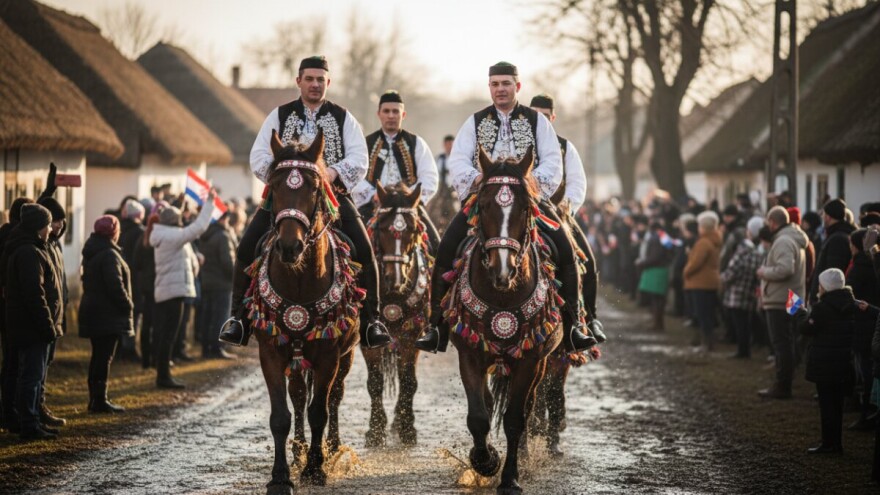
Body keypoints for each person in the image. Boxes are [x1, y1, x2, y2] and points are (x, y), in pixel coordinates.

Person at [415, 61, 596, 354]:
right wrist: (480, 181)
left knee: (566, 249)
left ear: (518, 86)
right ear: (489, 87)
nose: (501, 89)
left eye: (506, 84)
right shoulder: (474, 122)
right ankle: (436, 326)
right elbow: (458, 160)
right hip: (484, 202)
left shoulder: (538, 122)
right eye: (495, 84)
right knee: (446, 247)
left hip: (527, 203)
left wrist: (528, 188)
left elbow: (552, 162)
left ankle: (575, 324)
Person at [219, 55, 391, 350]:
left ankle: (372, 321)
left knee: (364, 249)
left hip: (331, 196)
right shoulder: (279, 114)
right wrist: (284, 175)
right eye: (309, 79)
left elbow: (360, 158)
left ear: (328, 82)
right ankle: (238, 319)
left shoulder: (343, 117)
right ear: (298, 81)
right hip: (285, 195)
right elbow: (259, 155)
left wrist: (330, 172)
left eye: (320, 80)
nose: (314, 84)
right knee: (247, 245)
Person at [529, 93, 604, 340]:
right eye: (536, 115)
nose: (541, 120)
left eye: (545, 116)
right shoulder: (517, 143)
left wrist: (565, 211)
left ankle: (587, 320)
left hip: (557, 214)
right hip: (519, 213)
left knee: (589, 263)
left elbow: (576, 185)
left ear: (553, 117)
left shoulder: (564, 147)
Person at [2, 204, 63, 439]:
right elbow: (34, 295)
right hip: (32, 326)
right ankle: (29, 424)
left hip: (30, 325)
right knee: (31, 377)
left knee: (32, 376)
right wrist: (47, 325)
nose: (51, 229)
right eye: (48, 224)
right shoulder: (28, 252)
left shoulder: (32, 247)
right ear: (39, 227)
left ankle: (32, 420)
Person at [353, 90, 441, 251]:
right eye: (386, 111)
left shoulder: (417, 143)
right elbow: (354, 174)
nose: (391, 116)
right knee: (354, 246)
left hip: (409, 208)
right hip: (372, 206)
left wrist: (410, 197)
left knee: (436, 246)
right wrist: (372, 194)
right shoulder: (365, 143)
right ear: (379, 114)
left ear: (403, 114)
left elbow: (430, 177)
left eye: (395, 111)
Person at [150, 195, 216, 389]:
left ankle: (163, 375)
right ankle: (163, 377)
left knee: (166, 335)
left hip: (168, 290)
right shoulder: (172, 236)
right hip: (173, 292)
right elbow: (197, 228)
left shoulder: (164, 234)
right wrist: (209, 205)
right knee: (168, 336)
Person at [795, 268, 856, 454]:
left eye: (820, 285)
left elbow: (806, 328)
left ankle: (828, 444)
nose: (818, 289)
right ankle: (836, 442)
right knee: (837, 405)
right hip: (843, 361)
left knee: (827, 405)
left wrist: (800, 312)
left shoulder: (822, 308)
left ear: (826, 287)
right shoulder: (850, 304)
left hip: (824, 363)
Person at [78, 216, 133, 413]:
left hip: (94, 310)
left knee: (98, 356)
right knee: (104, 357)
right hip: (107, 313)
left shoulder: (92, 250)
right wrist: (128, 304)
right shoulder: (109, 254)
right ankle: (99, 400)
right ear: (113, 233)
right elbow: (115, 286)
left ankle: (95, 399)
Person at [757, 206, 808, 399]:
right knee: (788, 341)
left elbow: (785, 269)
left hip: (781, 299)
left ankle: (783, 385)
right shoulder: (794, 238)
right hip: (792, 296)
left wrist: (763, 272)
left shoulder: (783, 241)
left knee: (781, 343)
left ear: (772, 222)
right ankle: (785, 381)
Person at [0, 198, 33, 432]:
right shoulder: (18, 240)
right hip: (12, 308)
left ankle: (8, 410)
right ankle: (10, 412)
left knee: (10, 362)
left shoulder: (6, 236)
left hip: (6, 306)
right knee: (13, 362)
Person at [847, 229, 880, 430]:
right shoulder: (873, 265)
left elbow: (850, 293)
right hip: (873, 322)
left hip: (863, 323)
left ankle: (866, 412)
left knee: (865, 370)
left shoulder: (859, 266)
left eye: (851, 244)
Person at [721, 216, 765, 358]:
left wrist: (723, 279)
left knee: (739, 324)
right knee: (746, 323)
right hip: (749, 293)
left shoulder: (741, 252)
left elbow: (731, 271)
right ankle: (746, 349)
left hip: (736, 292)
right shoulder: (758, 254)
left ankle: (742, 351)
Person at [198, 211, 237, 359]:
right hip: (222, 284)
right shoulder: (223, 236)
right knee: (220, 318)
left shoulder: (205, 235)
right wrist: (236, 278)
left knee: (207, 317)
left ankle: (206, 349)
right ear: (223, 219)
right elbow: (228, 263)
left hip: (207, 282)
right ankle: (217, 348)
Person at [683, 211, 722, 352]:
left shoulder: (703, 242)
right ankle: (708, 341)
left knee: (702, 314)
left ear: (704, 227)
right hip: (710, 281)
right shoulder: (715, 240)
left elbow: (696, 263)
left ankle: (706, 343)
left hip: (700, 282)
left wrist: (686, 271)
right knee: (708, 314)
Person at [810, 198, 856, 305]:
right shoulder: (839, 235)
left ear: (828, 217)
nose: (822, 217)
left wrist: (821, 299)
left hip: (828, 302)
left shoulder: (837, 239)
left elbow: (832, 274)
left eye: (823, 214)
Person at [116, 199, 146, 363]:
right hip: (136, 278)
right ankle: (130, 348)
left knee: (123, 313)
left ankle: (121, 347)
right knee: (135, 314)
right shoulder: (140, 232)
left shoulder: (120, 230)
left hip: (120, 276)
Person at [636, 220, 673, 332]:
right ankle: (658, 323)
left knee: (656, 299)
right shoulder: (665, 237)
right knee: (660, 299)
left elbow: (654, 257)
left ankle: (657, 324)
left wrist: (641, 263)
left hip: (655, 270)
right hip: (662, 269)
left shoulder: (655, 238)